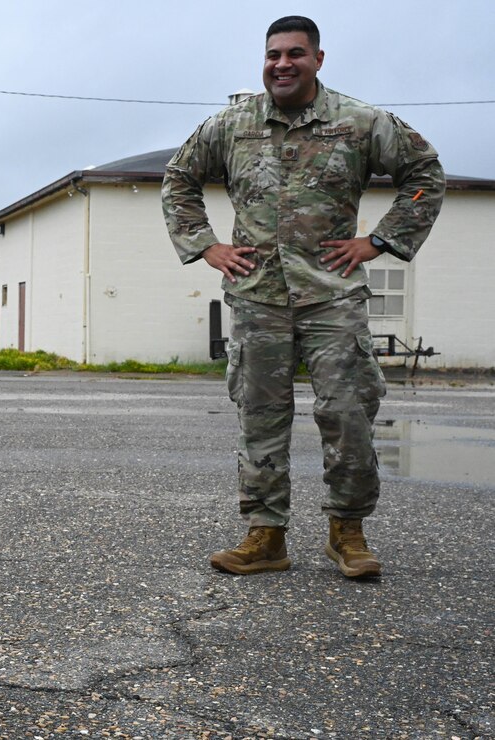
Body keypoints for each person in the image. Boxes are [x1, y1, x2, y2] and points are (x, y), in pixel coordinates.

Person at [161, 15, 444, 578]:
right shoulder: (231, 125)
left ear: (318, 59)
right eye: (272, 55)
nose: (282, 64)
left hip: (331, 294)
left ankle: (348, 532)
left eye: (294, 54)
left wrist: (378, 241)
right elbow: (179, 179)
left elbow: (425, 174)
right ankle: (266, 536)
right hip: (258, 295)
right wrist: (206, 247)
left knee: (348, 413)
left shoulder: (360, 123)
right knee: (260, 416)